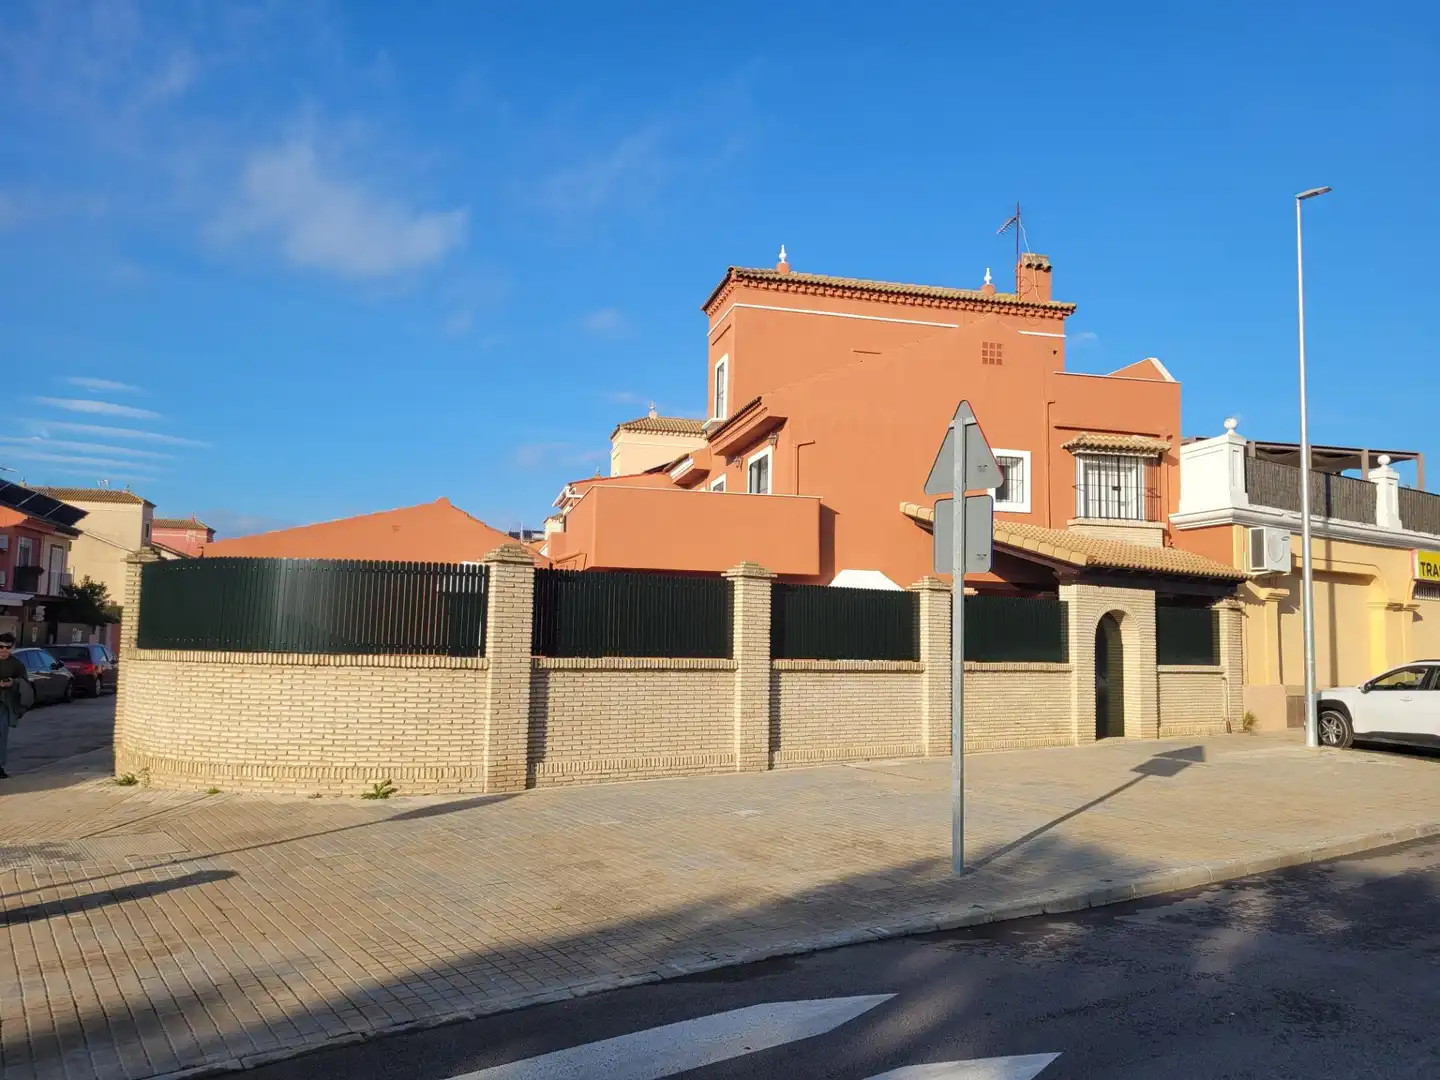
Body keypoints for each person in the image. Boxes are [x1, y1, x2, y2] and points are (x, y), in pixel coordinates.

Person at [0, 631, 30, 779]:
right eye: (0, 647)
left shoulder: (17, 664)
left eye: (7, 647)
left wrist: (13, 682)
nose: (3, 650)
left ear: (12, 648)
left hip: (5, 704)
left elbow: (25, 682)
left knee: (1, 734)